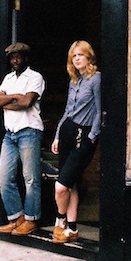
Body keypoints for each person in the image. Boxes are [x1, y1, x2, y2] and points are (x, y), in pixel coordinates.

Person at [0, 42, 46, 236]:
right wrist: (14, 97)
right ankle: (16, 218)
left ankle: (31, 220)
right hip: (10, 133)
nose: (15, 60)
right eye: (12, 57)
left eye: (18, 57)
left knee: (30, 178)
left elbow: (26, 102)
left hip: (29, 131)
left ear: (26, 58)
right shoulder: (8, 78)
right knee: (4, 177)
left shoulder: (35, 77)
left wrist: (9, 101)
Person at [51, 40, 102, 243]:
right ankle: (72, 229)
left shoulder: (96, 79)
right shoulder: (74, 80)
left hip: (84, 134)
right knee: (70, 184)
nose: (77, 58)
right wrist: (57, 135)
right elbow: (67, 111)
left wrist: (92, 136)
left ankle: (60, 219)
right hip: (67, 132)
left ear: (89, 56)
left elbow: (100, 110)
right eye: (74, 56)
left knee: (60, 186)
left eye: (81, 54)